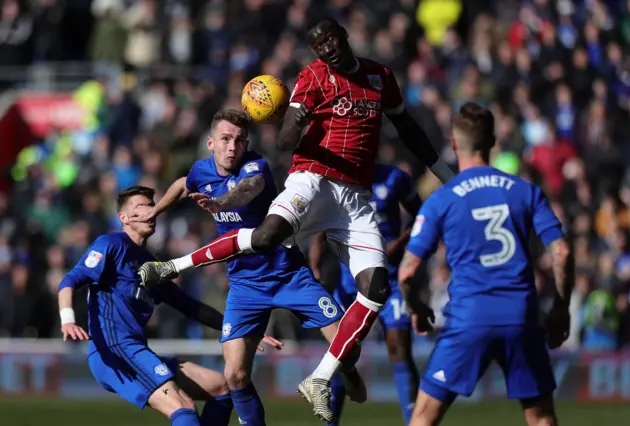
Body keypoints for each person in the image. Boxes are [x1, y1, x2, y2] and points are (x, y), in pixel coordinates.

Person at [138, 18, 454, 422]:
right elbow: (286, 143)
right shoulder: (312, 78)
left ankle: (321, 378)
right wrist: (296, 118)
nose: (327, 49)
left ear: (345, 36)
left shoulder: (380, 77)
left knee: (377, 287)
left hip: (354, 197)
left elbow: (408, 128)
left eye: (331, 40)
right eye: (319, 45)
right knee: (267, 235)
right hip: (314, 180)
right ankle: (173, 266)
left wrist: (448, 177)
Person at [133, 109, 365, 426]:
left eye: (240, 141)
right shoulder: (201, 171)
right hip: (245, 285)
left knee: (347, 347)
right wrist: (157, 210)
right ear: (211, 143)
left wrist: (221, 203)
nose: (233, 147)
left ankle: (348, 370)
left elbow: (250, 188)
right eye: (226, 140)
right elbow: (183, 184)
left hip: (287, 274)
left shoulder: (256, 166)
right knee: (235, 375)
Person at [398, 103, 574, 426]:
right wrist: (561, 307)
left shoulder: (443, 199)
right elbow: (561, 252)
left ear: (454, 144)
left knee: (422, 419)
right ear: (492, 142)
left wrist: (416, 307)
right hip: (520, 314)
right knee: (542, 419)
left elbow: (407, 271)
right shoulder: (525, 191)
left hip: (469, 317)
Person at [58, 185, 284, 426]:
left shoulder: (151, 264)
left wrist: (244, 329)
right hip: (114, 350)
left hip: (136, 350)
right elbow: (69, 280)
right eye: (140, 207)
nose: (149, 211)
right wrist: (68, 319)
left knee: (222, 386)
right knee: (183, 406)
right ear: (123, 218)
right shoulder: (111, 244)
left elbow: (191, 307)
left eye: (151, 206)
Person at [309, 163, 422, 426]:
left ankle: (415, 421)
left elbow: (421, 215)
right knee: (340, 354)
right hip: (350, 281)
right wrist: (314, 264)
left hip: (391, 278)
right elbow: (322, 225)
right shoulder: (337, 179)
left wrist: (400, 244)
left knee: (399, 348)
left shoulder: (395, 178)